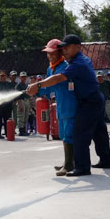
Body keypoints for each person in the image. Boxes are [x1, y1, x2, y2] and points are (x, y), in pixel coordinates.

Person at [27, 34, 110, 176]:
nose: (64, 51)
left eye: (65, 48)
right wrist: (39, 90)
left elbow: (59, 79)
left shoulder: (74, 65)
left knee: (78, 134)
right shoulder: (77, 61)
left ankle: (81, 167)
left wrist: (38, 85)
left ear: (77, 47)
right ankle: (106, 160)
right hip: (93, 99)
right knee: (99, 132)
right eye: (63, 48)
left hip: (87, 101)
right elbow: (52, 84)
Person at [35, 39, 78, 176]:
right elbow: (47, 88)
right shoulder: (51, 68)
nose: (50, 56)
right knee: (64, 134)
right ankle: (69, 162)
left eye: (52, 53)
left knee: (69, 135)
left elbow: (53, 83)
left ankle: (70, 164)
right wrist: (36, 91)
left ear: (60, 52)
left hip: (70, 104)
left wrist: (39, 87)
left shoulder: (65, 67)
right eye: (48, 53)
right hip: (60, 104)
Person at [0, 70, 14, 139]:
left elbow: (12, 94)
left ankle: (8, 133)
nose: (2, 77)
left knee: (7, 120)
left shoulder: (9, 84)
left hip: (7, 106)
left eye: (4, 76)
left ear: (6, 77)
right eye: (1, 76)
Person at [15, 72, 31, 136]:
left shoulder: (26, 85)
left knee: (26, 116)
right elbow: (17, 95)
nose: (24, 78)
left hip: (27, 101)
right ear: (20, 77)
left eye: (24, 77)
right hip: (21, 101)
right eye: (22, 77)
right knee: (21, 116)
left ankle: (24, 130)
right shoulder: (18, 86)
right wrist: (20, 103)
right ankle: (21, 130)